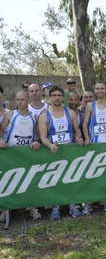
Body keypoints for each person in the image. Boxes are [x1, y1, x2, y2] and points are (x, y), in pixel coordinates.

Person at [38, 85, 84, 219]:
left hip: (69, 152)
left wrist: (79, 138)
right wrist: (50, 145)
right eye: (54, 95)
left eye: (59, 95)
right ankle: (56, 206)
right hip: (53, 152)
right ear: (49, 97)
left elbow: (77, 130)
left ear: (63, 97)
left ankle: (72, 204)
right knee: (55, 180)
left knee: (71, 179)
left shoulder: (70, 113)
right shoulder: (44, 116)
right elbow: (42, 137)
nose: (57, 98)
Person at [0, 91, 42, 220]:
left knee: (28, 181)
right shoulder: (10, 114)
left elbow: (38, 135)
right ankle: (6, 209)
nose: (19, 102)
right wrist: (1, 140)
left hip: (27, 155)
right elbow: (0, 129)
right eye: (17, 99)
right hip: (11, 154)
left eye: (22, 99)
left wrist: (37, 141)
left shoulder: (34, 117)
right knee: (9, 180)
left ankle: (32, 207)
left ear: (28, 100)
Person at [82, 81, 106, 214]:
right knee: (91, 174)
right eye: (97, 89)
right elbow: (85, 124)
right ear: (94, 90)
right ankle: (88, 202)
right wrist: (87, 138)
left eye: (102, 88)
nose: (99, 91)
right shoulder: (90, 106)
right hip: (94, 145)